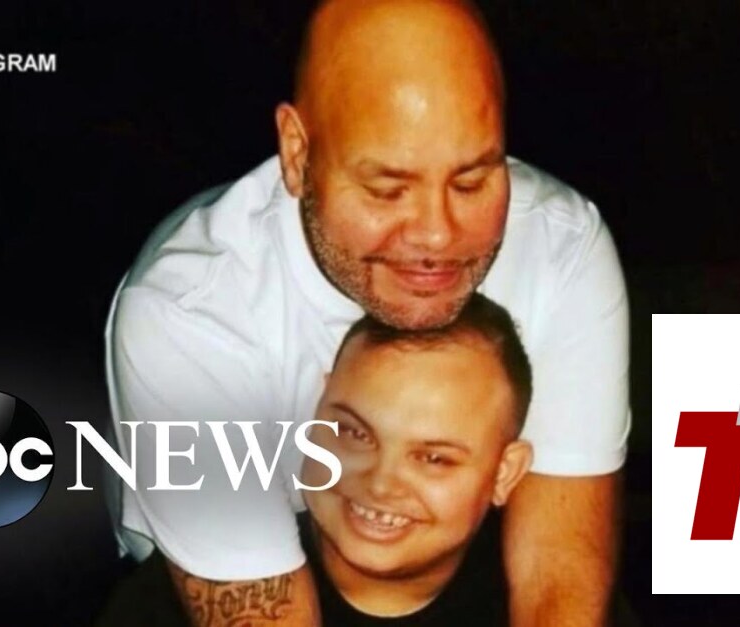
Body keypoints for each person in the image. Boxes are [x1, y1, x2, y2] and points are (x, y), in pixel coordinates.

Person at [106, 0, 629, 625]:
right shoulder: (191, 313)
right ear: (297, 154)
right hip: (212, 567)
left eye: (471, 181)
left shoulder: (560, 246)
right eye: (387, 189)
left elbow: (557, 573)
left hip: (455, 560)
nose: (437, 235)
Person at [298, 293, 534, 625]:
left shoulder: (549, 602)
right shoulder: (232, 562)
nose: (380, 485)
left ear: (504, 473)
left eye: (433, 458)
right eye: (355, 434)